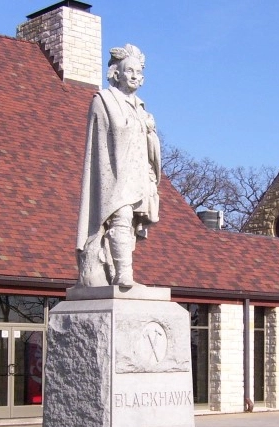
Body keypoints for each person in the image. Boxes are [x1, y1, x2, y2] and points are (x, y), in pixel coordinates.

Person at [75, 44, 161, 287]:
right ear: (117, 73)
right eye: (129, 70)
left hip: (138, 174)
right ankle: (124, 275)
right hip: (113, 173)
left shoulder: (142, 108)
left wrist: (150, 132)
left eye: (138, 72)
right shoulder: (104, 101)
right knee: (120, 218)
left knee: (130, 225)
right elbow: (100, 145)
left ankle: (117, 271)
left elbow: (149, 147)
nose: (134, 76)